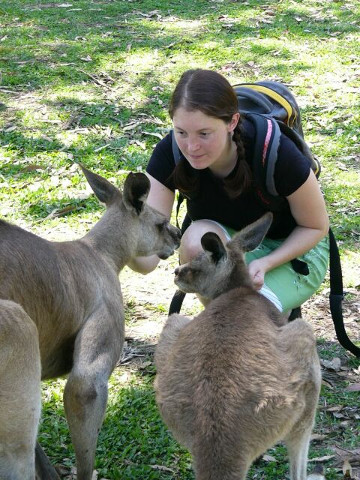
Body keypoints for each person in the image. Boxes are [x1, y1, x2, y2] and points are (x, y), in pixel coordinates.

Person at [128, 68, 329, 314]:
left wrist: (266, 264)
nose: (191, 147)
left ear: (232, 122)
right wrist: (119, 241)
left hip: (294, 249)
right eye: (181, 132)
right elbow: (147, 257)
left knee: (246, 313)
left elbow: (316, 226)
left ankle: (264, 315)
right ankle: (228, 320)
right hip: (235, 250)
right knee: (195, 243)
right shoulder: (170, 153)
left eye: (204, 134)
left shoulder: (275, 152)